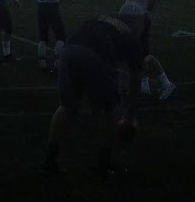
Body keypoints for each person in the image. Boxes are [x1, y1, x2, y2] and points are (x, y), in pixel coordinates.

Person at [42, 15, 143, 177]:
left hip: (68, 50)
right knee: (112, 110)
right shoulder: (131, 37)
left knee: (66, 107)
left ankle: (50, 160)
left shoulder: (102, 20)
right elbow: (135, 79)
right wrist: (130, 116)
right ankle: (104, 164)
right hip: (95, 54)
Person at [117, 0, 175, 99]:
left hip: (138, 17)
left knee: (143, 55)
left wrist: (146, 11)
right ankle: (144, 87)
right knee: (135, 54)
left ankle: (166, 84)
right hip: (130, 17)